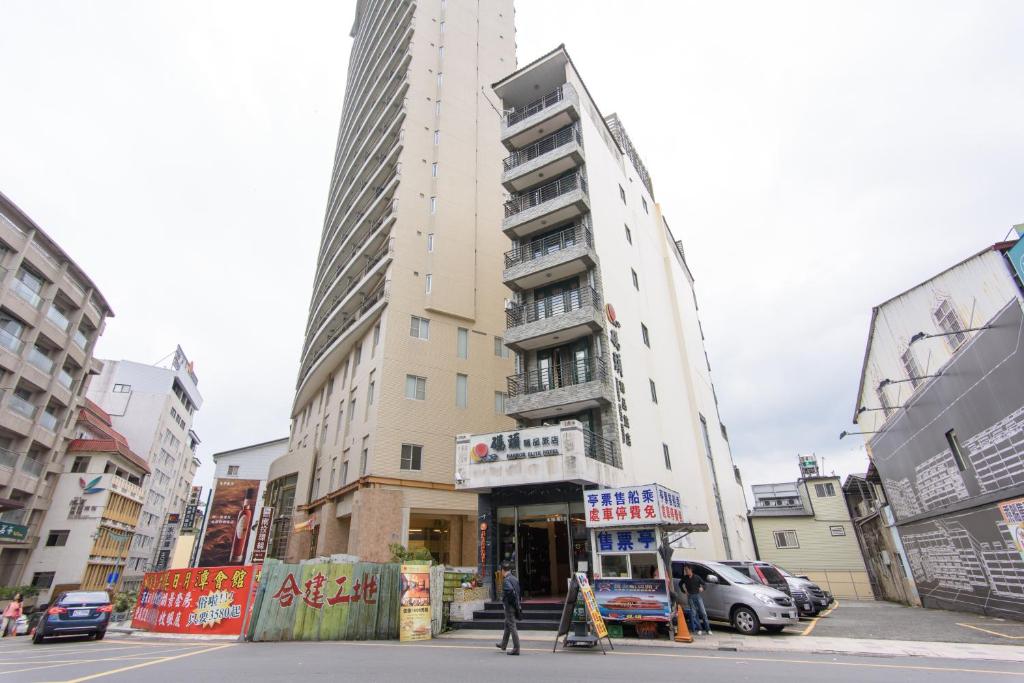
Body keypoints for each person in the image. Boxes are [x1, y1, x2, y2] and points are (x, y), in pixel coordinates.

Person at [495, 561, 522, 655]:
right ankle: (503, 644)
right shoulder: (514, 578)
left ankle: (516, 648)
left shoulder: (506, 580)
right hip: (515, 605)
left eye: (501, 570)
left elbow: (510, 591)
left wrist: (508, 602)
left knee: (512, 626)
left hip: (510, 607)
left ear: (503, 570)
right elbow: (518, 592)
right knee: (507, 624)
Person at [681, 565, 712, 635]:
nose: (686, 571)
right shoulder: (685, 578)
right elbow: (680, 584)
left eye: (687, 570)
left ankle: (708, 629)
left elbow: (704, 584)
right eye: (685, 570)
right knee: (694, 614)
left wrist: (702, 588)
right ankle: (699, 628)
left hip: (697, 596)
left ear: (690, 570)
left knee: (703, 613)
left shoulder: (697, 577)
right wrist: (684, 591)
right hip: (690, 597)